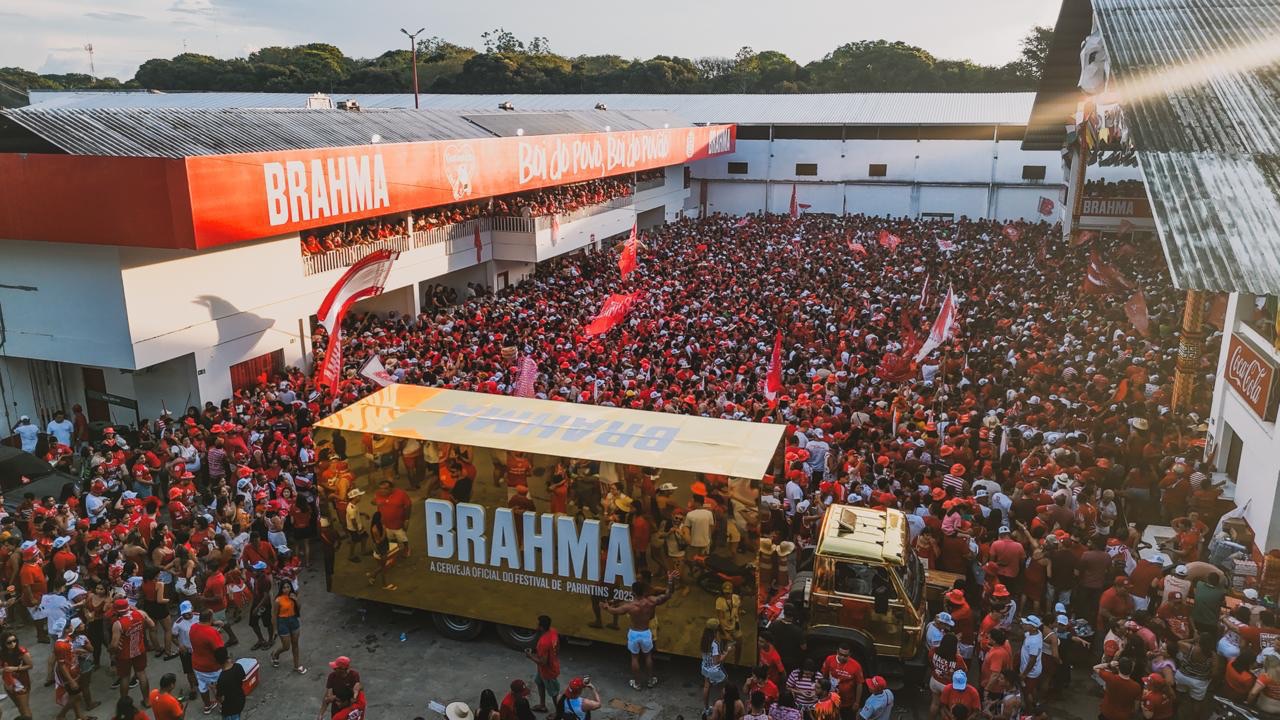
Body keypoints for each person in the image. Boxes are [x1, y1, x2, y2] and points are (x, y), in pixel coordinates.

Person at [603, 571, 676, 690]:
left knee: (634, 658)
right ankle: (651, 680)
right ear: (644, 591)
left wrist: (606, 607)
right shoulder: (652, 601)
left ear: (633, 592)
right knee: (648, 657)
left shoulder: (630, 606)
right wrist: (670, 580)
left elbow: (614, 611)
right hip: (646, 632)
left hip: (634, 633)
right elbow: (669, 594)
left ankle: (637, 683)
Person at [110, 597, 154, 705]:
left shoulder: (118, 624)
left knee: (125, 677)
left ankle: (124, 703)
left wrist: (111, 652)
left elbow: (114, 645)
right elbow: (152, 625)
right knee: (141, 674)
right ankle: (147, 700)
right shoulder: (140, 613)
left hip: (124, 654)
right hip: (139, 650)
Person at [189, 609, 226, 714]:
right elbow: (220, 651)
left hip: (197, 665)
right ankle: (222, 706)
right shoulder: (211, 632)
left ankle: (207, 706)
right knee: (219, 687)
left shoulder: (193, 628)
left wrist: (213, 623)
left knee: (203, 686)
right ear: (210, 618)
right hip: (211, 666)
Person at [525, 615, 560, 712]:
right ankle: (542, 705)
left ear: (541, 627)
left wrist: (530, 656)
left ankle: (559, 713)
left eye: (538, 624)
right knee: (539, 683)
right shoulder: (553, 631)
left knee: (554, 693)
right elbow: (557, 647)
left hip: (548, 672)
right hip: (543, 670)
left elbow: (543, 662)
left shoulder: (544, 642)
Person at [271, 581, 306, 674]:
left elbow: (299, 609)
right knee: (286, 646)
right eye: (284, 588)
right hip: (283, 622)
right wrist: (274, 630)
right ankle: (275, 654)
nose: (286, 589)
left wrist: (296, 600)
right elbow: (274, 615)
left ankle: (296, 665)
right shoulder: (278, 600)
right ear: (281, 589)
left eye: (288, 587)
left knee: (295, 644)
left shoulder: (293, 596)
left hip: (293, 620)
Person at [820, 641, 864, 715]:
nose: (842, 657)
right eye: (840, 654)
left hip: (847, 703)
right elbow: (824, 676)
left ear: (850, 654)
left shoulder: (856, 666)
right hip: (831, 699)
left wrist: (857, 702)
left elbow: (859, 684)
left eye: (845, 655)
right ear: (837, 652)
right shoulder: (829, 659)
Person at [214, 646, 247, 720]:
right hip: (240, 699)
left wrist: (215, 688)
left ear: (217, 662)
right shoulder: (238, 666)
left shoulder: (221, 679)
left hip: (230, 707)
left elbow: (220, 698)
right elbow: (243, 678)